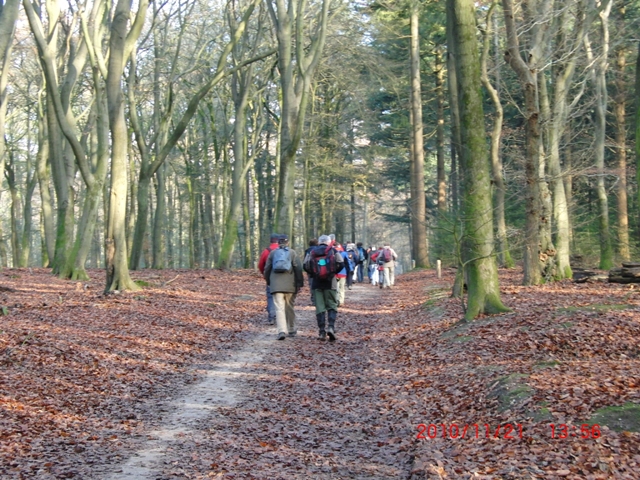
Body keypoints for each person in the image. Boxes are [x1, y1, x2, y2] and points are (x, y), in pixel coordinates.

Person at [304, 234, 344, 341]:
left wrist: (313, 274)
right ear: (328, 242)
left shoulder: (312, 252)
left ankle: (321, 332)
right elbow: (341, 264)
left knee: (319, 307)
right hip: (330, 283)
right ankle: (331, 327)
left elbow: (305, 265)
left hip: (316, 283)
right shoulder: (333, 251)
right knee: (332, 305)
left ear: (319, 242)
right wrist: (333, 273)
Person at [264, 235, 304, 340]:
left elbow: (267, 269)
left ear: (278, 243)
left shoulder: (273, 253)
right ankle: (291, 329)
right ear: (288, 243)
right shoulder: (292, 253)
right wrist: (299, 283)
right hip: (290, 284)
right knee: (289, 307)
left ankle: (281, 331)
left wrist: (269, 281)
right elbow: (298, 268)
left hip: (276, 285)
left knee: (279, 308)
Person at [258, 233, 281, 324]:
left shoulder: (266, 251)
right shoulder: (284, 251)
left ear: (270, 240)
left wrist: (264, 274)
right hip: (283, 277)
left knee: (271, 296)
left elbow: (260, 265)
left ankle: (272, 316)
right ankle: (281, 316)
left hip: (271, 277)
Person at [305, 238, 318, 305]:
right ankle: (318, 298)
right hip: (318, 269)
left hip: (310, 270)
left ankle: (313, 299)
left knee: (311, 284)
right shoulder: (319, 250)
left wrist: (307, 270)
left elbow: (305, 261)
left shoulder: (307, 251)